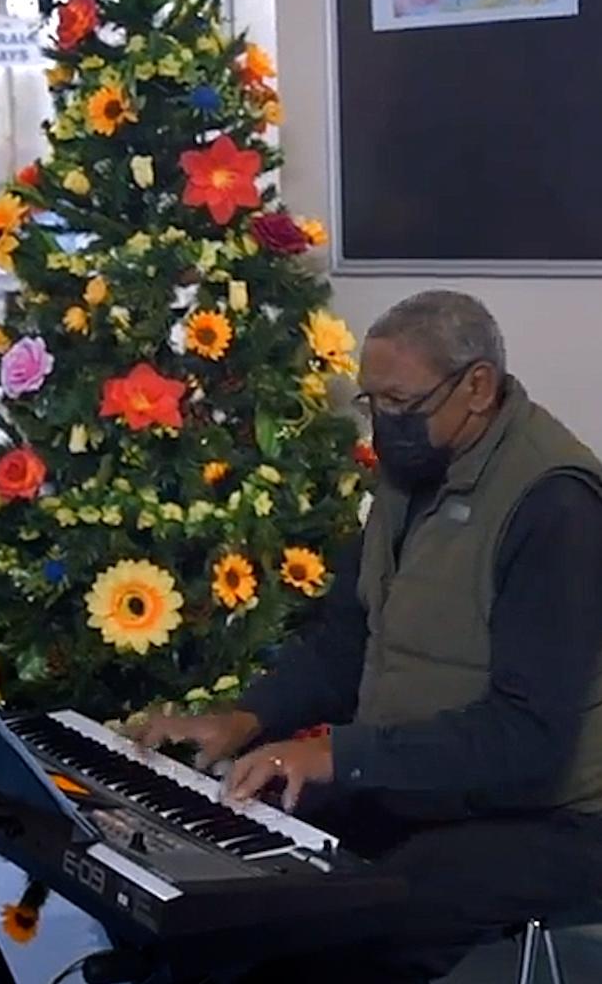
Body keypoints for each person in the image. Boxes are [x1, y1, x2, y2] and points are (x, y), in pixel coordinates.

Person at [131, 291, 602, 982]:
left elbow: (525, 737)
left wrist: (337, 755)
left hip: (552, 820)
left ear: (476, 387)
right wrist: (244, 718)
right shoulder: (413, 473)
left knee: (351, 920)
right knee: (231, 885)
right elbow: (344, 641)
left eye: (400, 404)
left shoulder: (555, 504)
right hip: (418, 780)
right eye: (372, 402)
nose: (384, 424)